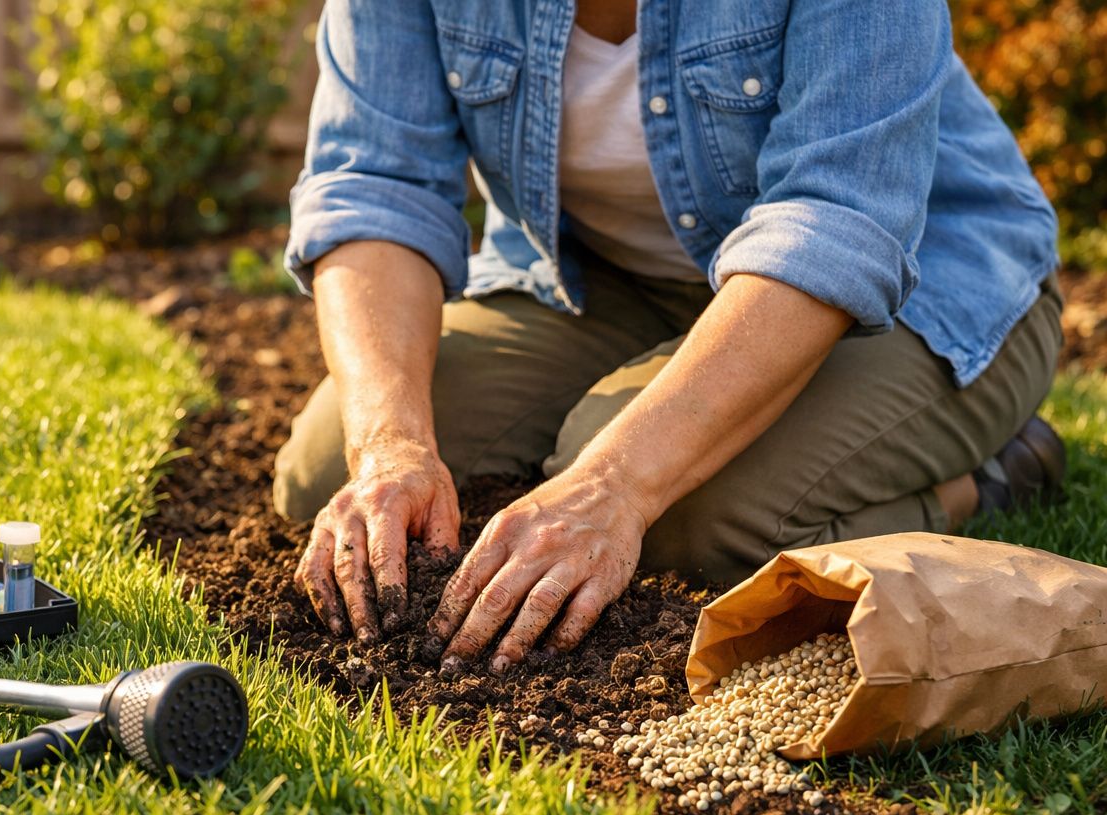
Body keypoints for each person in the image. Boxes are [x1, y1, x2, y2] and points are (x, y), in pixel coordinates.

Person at [275, 0, 1065, 674]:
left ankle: (986, 477)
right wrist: (393, 447)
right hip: (603, 279)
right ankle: (635, 414)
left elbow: (838, 220)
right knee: (327, 475)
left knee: (687, 526)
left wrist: (613, 484)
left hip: (919, 282)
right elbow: (378, 184)